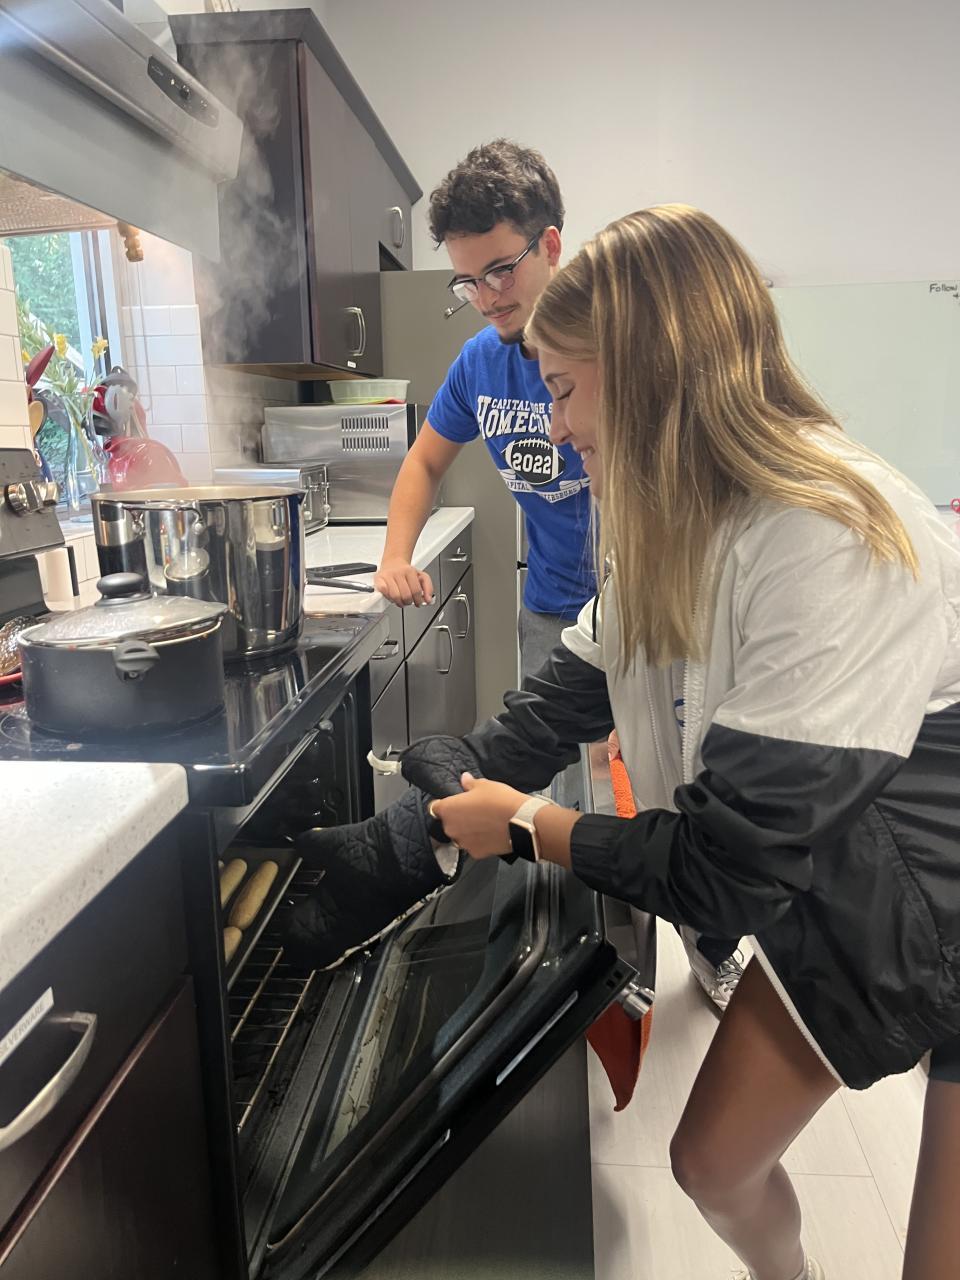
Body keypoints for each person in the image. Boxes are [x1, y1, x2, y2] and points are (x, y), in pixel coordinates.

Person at [419, 205, 960, 1280]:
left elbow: (724, 871)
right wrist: (423, 808)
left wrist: (527, 824)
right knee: (713, 1162)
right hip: (839, 850)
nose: (556, 428)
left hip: (932, 868)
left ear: (648, 373)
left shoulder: (828, 536)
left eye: (564, 390)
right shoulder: (682, 514)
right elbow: (564, 700)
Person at [374, 139, 742, 1009]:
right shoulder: (480, 362)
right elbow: (423, 461)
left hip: (652, 603)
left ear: (550, 245)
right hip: (566, 609)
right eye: (468, 282)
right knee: (579, 783)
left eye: (500, 270)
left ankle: (698, 944)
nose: (487, 296)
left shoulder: (624, 348)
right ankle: (604, 953)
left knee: (662, 782)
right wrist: (394, 555)